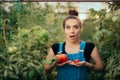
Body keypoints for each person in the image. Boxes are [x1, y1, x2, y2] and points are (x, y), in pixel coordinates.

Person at [44, 9, 104, 80]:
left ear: (81, 29)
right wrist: (55, 64)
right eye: (68, 27)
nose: (72, 31)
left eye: (75, 27)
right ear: (64, 29)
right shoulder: (55, 47)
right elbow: (46, 69)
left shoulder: (89, 47)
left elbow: (101, 68)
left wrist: (86, 64)